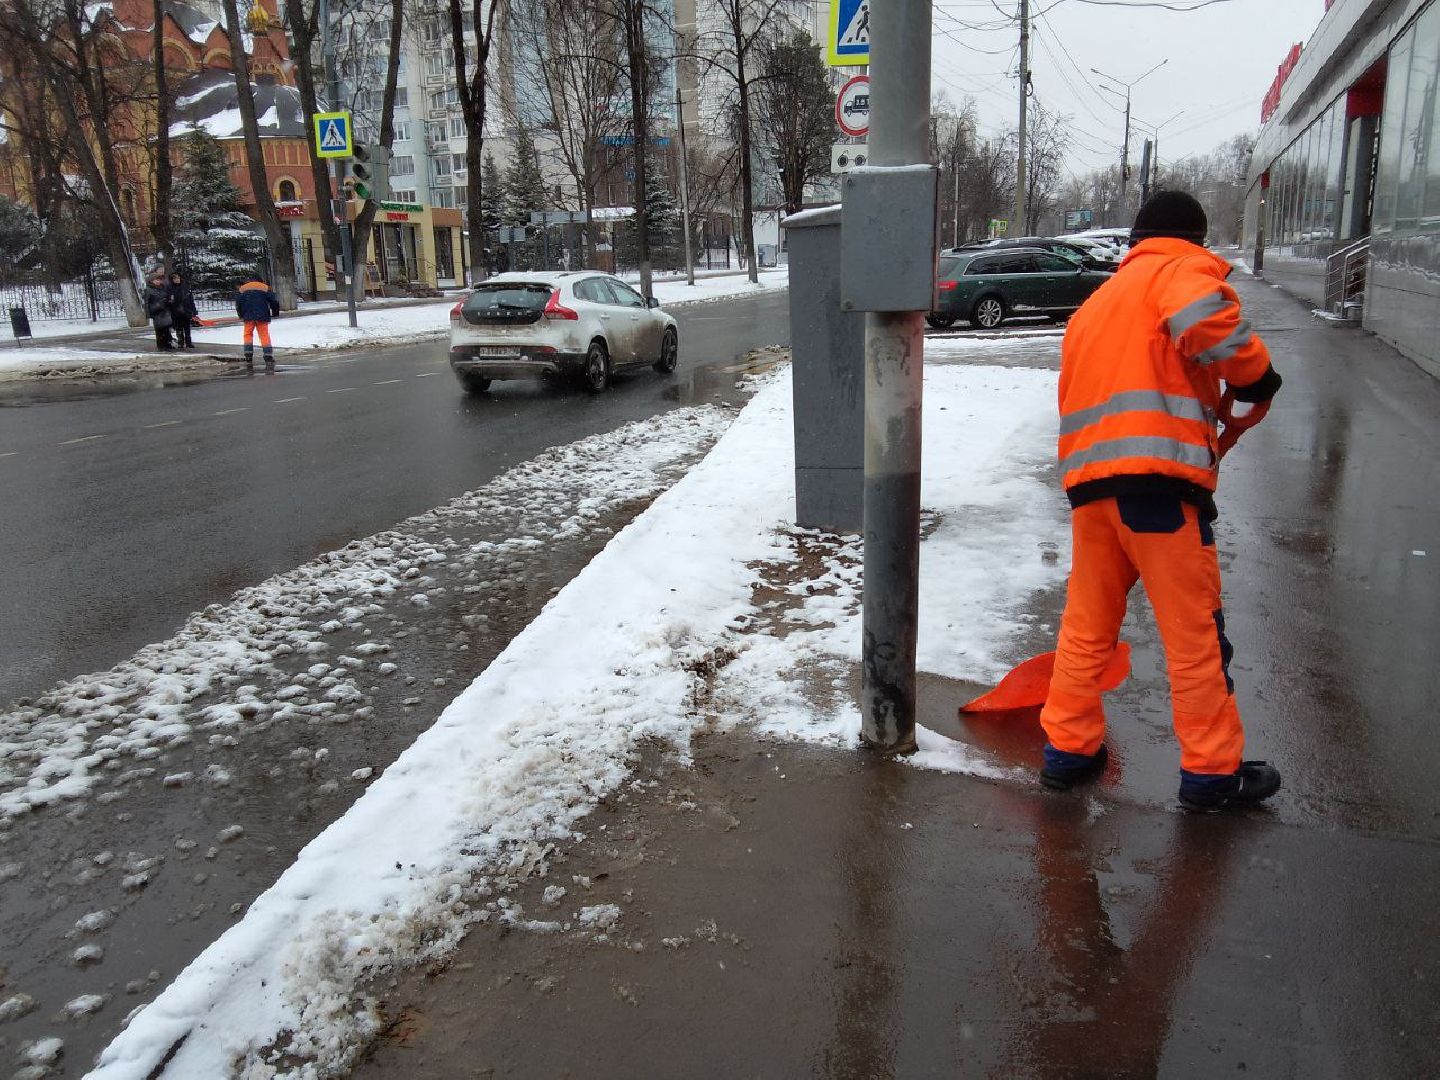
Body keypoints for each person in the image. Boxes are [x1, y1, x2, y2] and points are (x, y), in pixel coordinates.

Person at [1037, 190, 1284, 814]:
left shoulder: (1097, 304)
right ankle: (1210, 773)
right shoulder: (1181, 273)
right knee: (1193, 635)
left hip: (1092, 492)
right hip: (1162, 493)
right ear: (1193, 239)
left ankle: (1067, 753)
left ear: (1136, 238)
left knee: (1086, 628)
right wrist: (1256, 376)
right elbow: (1205, 321)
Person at [234, 275, 280, 369]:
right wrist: (275, 313)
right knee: (264, 335)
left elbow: (238, 303)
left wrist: (241, 315)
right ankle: (268, 356)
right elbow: (274, 301)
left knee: (248, 334)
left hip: (248, 316)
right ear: (260, 280)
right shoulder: (264, 287)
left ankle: (248, 355)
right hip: (262, 315)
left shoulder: (243, 288)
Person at [168, 271, 197, 350]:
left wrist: (194, 311)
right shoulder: (170, 289)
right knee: (179, 328)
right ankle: (181, 342)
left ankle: (188, 342)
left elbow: (191, 300)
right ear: (172, 280)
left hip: (186, 311)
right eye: (175, 278)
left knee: (187, 328)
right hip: (176, 312)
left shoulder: (185, 288)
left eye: (178, 278)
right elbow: (169, 301)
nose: (177, 280)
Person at [144, 273, 174, 351]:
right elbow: (147, 302)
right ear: (151, 281)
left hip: (165, 310)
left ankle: (167, 344)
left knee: (166, 329)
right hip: (156, 311)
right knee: (159, 329)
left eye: (159, 280)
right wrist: (149, 313)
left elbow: (167, 296)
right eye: (156, 280)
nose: (158, 281)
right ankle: (161, 345)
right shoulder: (148, 290)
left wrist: (169, 301)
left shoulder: (163, 288)